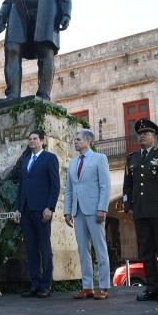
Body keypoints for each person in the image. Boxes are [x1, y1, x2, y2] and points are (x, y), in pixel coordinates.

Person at [122, 119, 158, 302]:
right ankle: (151, 287)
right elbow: (127, 186)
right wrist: (127, 205)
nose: (142, 136)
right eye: (140, 134)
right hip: (140, 210)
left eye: (146, 134)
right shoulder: (133, 158)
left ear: (154, 137)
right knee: (145, 251)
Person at [64, 129, 111, 300]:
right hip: (77, 211)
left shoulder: (99, 159)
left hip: (94, 210)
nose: (75, 142)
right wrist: (67, 211)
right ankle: (87, 286)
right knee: (83, 250)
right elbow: (68, 189)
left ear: (87, 141)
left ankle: (104, 287)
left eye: (77, 139)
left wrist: (102, 208)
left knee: (100, 248)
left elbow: (105, 186)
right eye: (74, 139)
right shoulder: (72, 162)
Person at [13, 130, 60, 298]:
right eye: (30, 139)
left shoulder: (49, 158)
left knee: (44, 248)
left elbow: (55, 186)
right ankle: (34, 284)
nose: (32, 141)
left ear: (42, 141)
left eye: (35, 139)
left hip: (42, 211)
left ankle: (46, 285)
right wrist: (18, 208)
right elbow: (21, 188)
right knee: (30, 249)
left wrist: (50, 207)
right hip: (25, 211)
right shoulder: (26, 160)